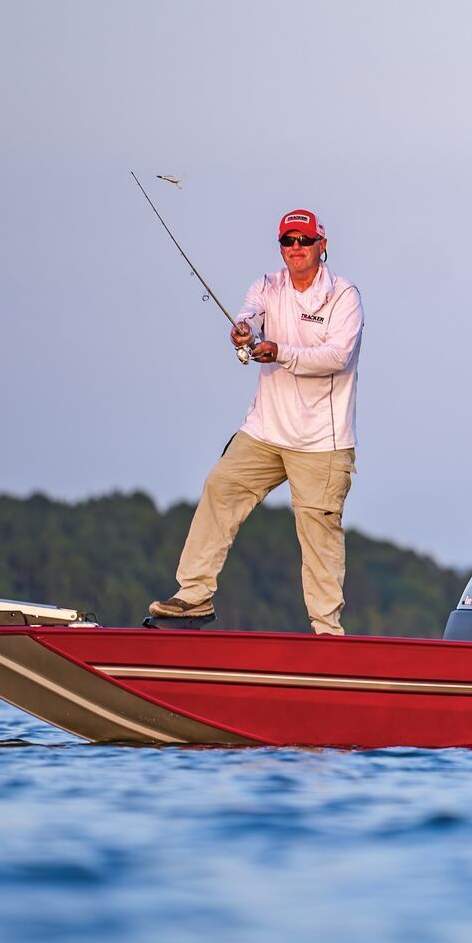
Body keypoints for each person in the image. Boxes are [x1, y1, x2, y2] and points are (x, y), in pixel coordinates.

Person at [148, 208, 363, 634]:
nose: (296, 249)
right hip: (265, 431)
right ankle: (193, 596)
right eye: (288, 241)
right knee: (220, 488)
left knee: (319, 535)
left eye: (304, 240)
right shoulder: (267, 285)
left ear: (323, 245)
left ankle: (327, 633)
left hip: (323, 441)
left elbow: (337, 357)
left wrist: (279, 351)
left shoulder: (344, 295)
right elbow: (250, 313)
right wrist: (243, 331)